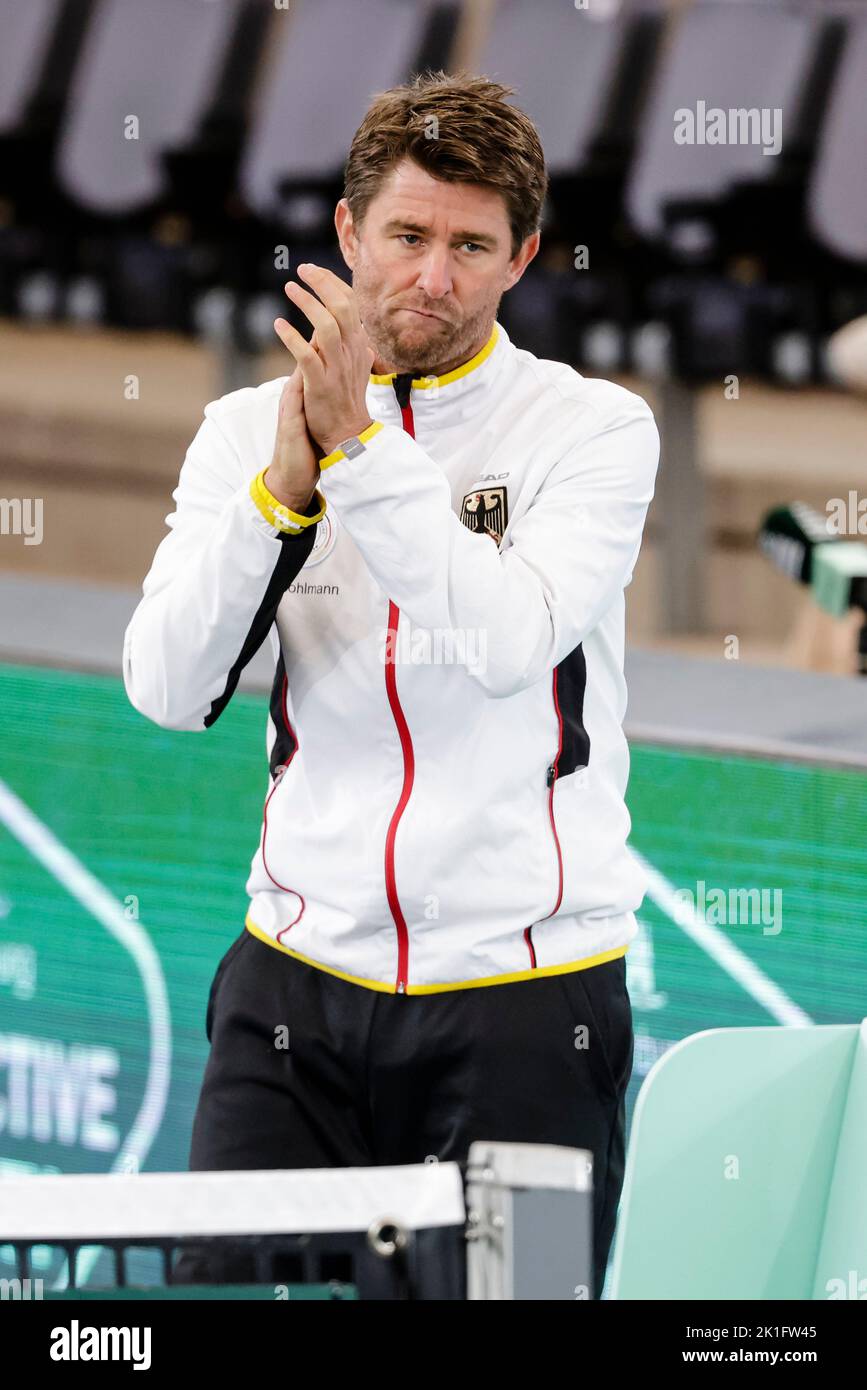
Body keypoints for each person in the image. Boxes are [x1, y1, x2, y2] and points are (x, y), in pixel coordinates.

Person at [123, 71, 660, 1299]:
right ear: (349, 232)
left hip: (527, 1008)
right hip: (288, 999)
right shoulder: (245, 430)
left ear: (523, 256)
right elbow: (164, 686)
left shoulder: (595, 430)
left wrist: (361, 452)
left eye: (472, 246)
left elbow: (508, 639)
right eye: (408, 236)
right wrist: (283, 497)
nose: (433, 278)